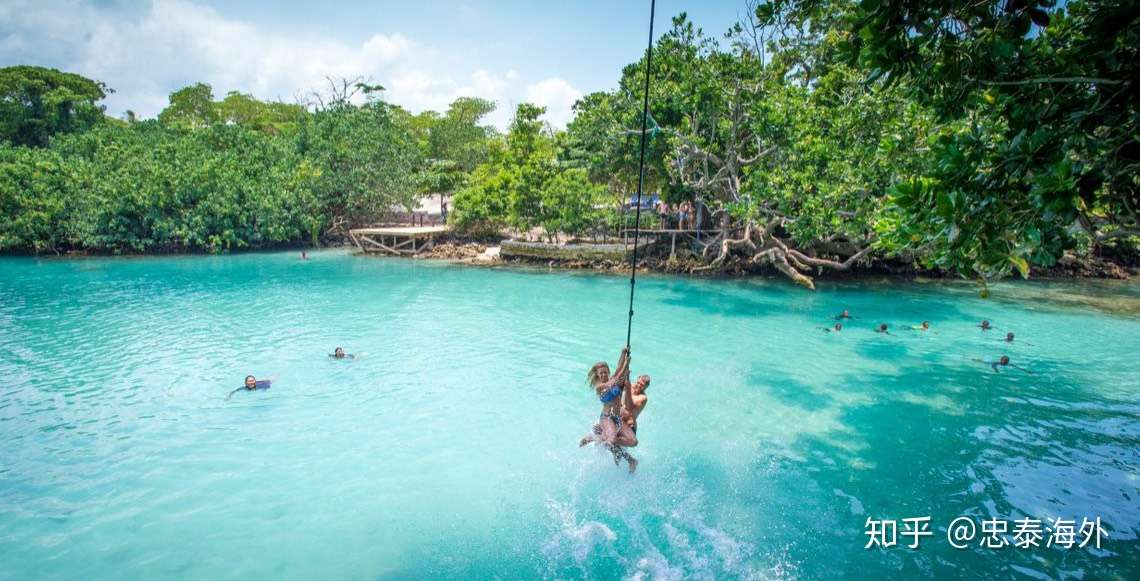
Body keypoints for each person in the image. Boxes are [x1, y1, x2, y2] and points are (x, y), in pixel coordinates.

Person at [579, 347, 638, 470]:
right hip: (606, 418)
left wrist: (623, 353)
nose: (604, 374)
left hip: (617, 418)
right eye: (601, 373)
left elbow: (618, 369)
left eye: (606, 372)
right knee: (611, 440)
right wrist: (626, 365)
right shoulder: (600, 387)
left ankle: (602, 437)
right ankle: (629, 459)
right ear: (597, 375)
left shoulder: (613, 378)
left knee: (633, 442)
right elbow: (614, 381)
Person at [618, 374, 650, 474]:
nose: (638, 386)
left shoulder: (643, 398)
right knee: (612, 447)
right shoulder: (629, 385)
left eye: (642, 385)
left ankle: (632, 461)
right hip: (618, 422)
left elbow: (630, 406)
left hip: (629, 428)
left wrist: (627, 388)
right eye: (638, 383)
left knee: (615, 445)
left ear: (645, 387)